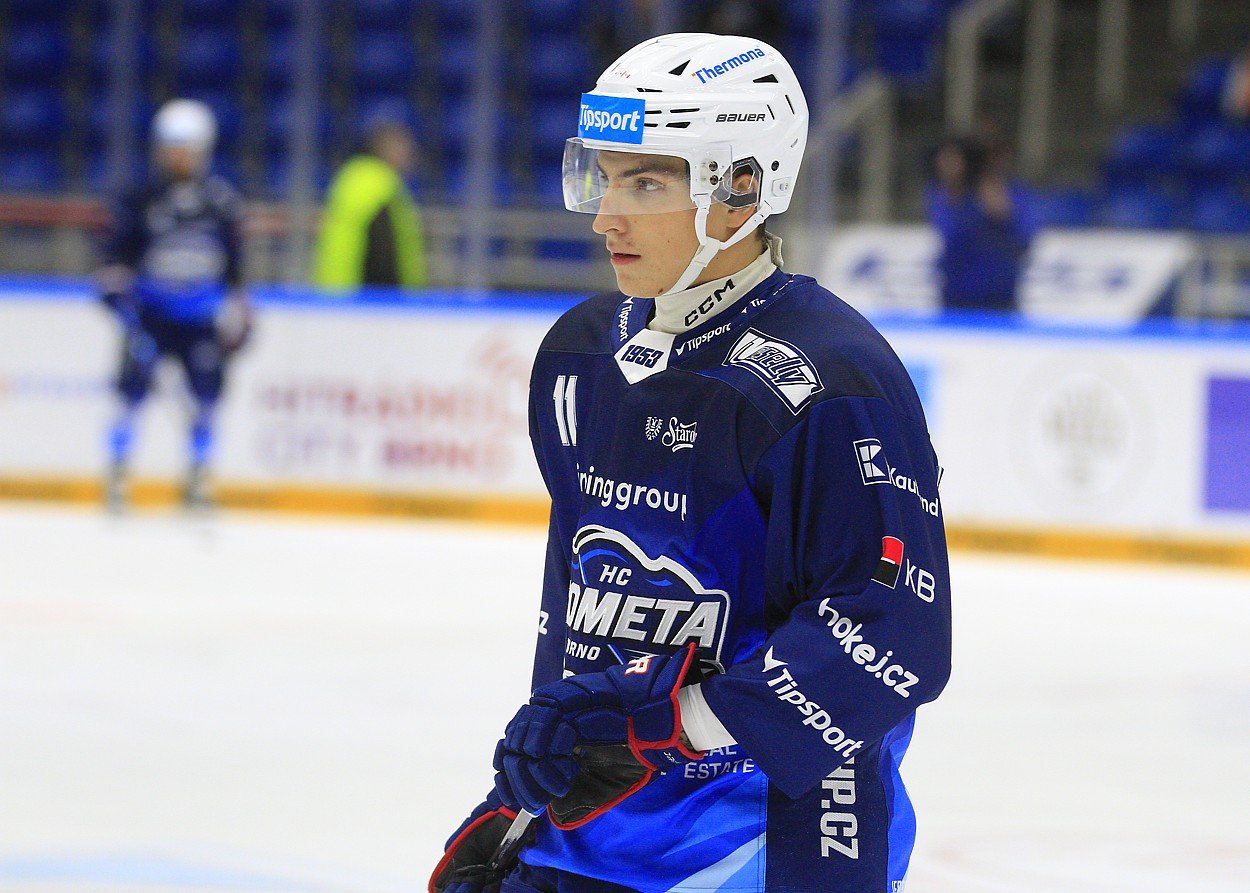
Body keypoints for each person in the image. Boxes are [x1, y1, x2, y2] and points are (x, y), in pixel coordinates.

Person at [430, 33, 951, 893]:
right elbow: (579, 609)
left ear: (741, 187)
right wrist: (523, 802)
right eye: (601, 179)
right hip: (590, 832)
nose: (606, 216)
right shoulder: (580, 355)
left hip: (767, 849)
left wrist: (669, 724)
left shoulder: (831, 380)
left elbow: (890, 639)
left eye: (645, 184)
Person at [98, 98, 251, 511]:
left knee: (205, 398)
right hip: (150, 315)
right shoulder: (140, 200)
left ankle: (199, 474)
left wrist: (239, 311)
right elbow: (113, 261)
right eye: (172, 147)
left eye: (187, 148)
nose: (179, 157)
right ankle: (118, 471)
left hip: (200, 318)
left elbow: (235, 267)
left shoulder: (221, 202)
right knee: (130, 395)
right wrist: (116, 296)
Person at [312, 113, 427, 290]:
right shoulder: (381, 185)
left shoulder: (353, 176)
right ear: (384, 148)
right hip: (365, 295)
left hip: (337, 289)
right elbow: (384, 249)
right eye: (403, 146)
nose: (410, 153)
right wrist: (394, 296)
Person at [925, 134, 1039, 313]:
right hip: (955, 297)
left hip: (998, 297)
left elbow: (1024, 238)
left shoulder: (1012, 193)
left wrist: (1000, 210)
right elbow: (949, 234)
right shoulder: (940, 194)